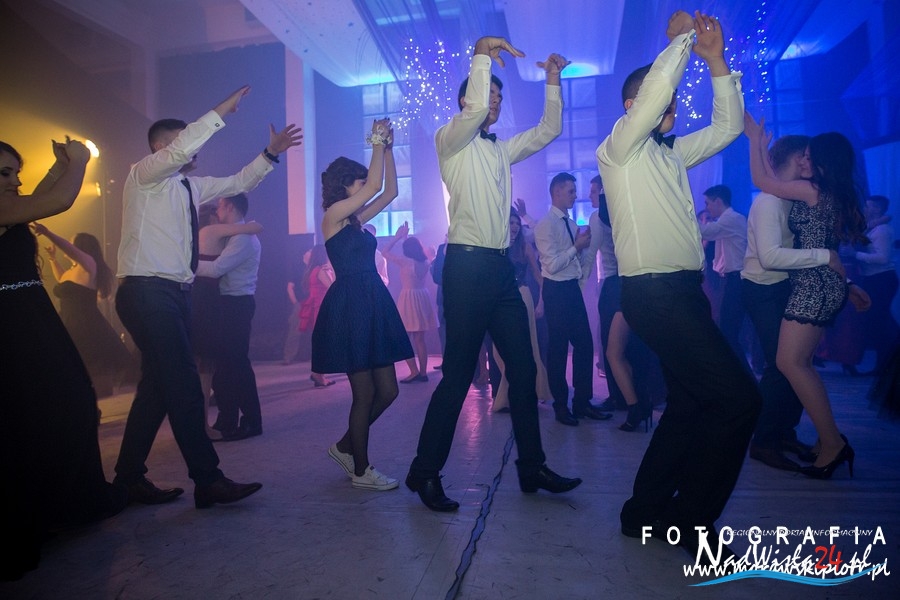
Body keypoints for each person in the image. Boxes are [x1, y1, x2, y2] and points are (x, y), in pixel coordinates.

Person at [596, 11, 761, 561]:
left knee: (690, 404)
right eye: (660, 104)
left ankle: (642, 513)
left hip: (682, 294)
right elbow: (655, 93)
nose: (670, 111)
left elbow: (727, 128)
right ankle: (689, 523)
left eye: (669, 107)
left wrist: (716, 62)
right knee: (739, 399)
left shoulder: (671, 153)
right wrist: (681, 41)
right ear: (634, 106)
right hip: (654, 294)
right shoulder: (617, 150)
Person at [406, 35, 582, 512]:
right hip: (465, 268)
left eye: (501, 97)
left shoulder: (500, 150)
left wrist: (552, 80)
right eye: (489, 95)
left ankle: (532, 467)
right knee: (459, 375)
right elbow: (476, 107)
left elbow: (548, 129)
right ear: (468, 101)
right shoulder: (449, 140)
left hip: (501, 270)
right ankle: (424, 472)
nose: (496, 103)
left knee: (524, 369)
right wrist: (481, 54)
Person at [114, 85, 300, 508]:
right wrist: (221, 112)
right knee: (184, 385)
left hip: (173, 294)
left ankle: (128, 478)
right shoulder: (143, 175)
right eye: (181, 139)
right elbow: (184, 148)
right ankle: (208, 480)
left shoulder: (189, 187)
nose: (190, 146)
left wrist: (270, 155)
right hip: (147, 291)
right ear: (161, 147)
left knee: (156, 390)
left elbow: (238, 181)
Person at [1, 139, 127, 580]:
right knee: (38, 415)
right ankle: (43, 510)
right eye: (4, 173)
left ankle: (58, 505)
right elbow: (57, 201)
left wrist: (58, 167)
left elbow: (40, 198)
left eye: (15, 172)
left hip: (31, 318)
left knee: (64, 407)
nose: (14, 181)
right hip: (13, 325)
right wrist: (81, 159)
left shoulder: (10, 207)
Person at [746, 115, 869, 480]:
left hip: (813, 287)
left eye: (810, 157)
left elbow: (762, 181)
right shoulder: (830, 192)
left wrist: (754, 141)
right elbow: (773, 179)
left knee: (791, 364)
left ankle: (831, 443)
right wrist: (761, 145)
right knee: (799, 364)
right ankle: (829, 440)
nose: (805, 161)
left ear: (823, 163)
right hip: (821, 285)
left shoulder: (813, 191)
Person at [313, 119, 414, 491]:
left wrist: (388, 149)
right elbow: (375, 186)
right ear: (344, 185)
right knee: (366, 393)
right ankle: (361, 470)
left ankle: (345, 447)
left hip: (371, 300)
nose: (364, 186)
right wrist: (375, 141)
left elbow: (389, 192)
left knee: (388, 391)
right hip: (352, 304)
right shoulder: (333, 218)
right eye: (357, 181)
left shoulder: (353, 221)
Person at [534, 172, 611, 425]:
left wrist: (583, 247)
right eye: (571, 191)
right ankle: (560, 405)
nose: (575, 196)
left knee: (585, 345)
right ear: (556, 192)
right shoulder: (545, 225)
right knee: (558, 348)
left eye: (575, 191)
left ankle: (582, 402)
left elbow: (573, 259)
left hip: (570, 290)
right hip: (555, 290)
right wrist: (577, 247)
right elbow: (552, 265)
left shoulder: (569, 222)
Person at [34, 224, 134, 396]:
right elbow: (62, 279)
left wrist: (48, 233)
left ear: (80, 247)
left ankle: (99, 399)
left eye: (72, 243)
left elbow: (68, 249)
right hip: (69, 322)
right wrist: (52, 258)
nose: (69, 245)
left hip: (85, 324)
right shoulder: (73, 271)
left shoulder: (89, 264)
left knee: (93, 365)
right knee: (76, 364)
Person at [196, 193, 265, 441]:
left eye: (221, 206)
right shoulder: (236, 234)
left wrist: (186, 266)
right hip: (227, 303)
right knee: (225, 365)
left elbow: (216, 269)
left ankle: (251, 421)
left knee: (236, 364)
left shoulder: (242, 239)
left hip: (236, 304)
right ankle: (228, 420)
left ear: (231, 207)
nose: (217, 210)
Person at [584, 175, 651, 431]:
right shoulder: (628, 213)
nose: (589, 196)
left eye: (593, 191)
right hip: (636, 282)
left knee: (611, 348)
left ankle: (626, 401)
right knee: (631, 347)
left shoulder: (599, 217)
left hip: (613, 286)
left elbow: (590, 255)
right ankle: (636, 400)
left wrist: (578, 285)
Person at [490, 208, 551, 412]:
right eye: (511, 223)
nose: (515, 226)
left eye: (517, 223)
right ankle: (512, 393)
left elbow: (539, 277)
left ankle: (516, 396)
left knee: (526, 347)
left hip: (522, 298)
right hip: (500, 301)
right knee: (498, 351)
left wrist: (541, 303)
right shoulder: (496, 247)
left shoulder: (524, 248)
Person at [698, 184, 750, 372]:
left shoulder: (732, 219)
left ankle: (744, 377)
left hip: (736, 280)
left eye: (708, 203)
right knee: (727, 331)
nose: (707, 208)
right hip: (731, 279)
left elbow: (706, 232)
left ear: (718, 201)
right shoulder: (728, 220)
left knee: (729, 332)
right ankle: (739, 376)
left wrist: (682, 215)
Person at [383, 222, 437, 382]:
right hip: (422, 297)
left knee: (403, 338)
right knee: (420, 339)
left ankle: (413, 370)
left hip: (408, 298)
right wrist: (405, 238)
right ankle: (423, 373)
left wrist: (397, 238)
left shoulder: (405, 262)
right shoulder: (425, 262)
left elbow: (384, 252)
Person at [855, 195, 898, 374]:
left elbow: (883, 258)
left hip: (881, 279)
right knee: (881, 322)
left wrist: (855, 255)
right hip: (877, 279)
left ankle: (883, 366)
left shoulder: (881, 231)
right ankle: (884, 365)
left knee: (881, 323)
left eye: (868, 206)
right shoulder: (875, 228)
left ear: (877, 209)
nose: (865, 209)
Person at [298, 244, 336, 387]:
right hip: (323, 309)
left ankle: (319, 374)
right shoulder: (321, 270)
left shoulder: (313, 270)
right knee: (323, 343)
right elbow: (333, 287)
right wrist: (333, 270)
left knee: (321, 342)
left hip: (318, 308)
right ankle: (318, 374)